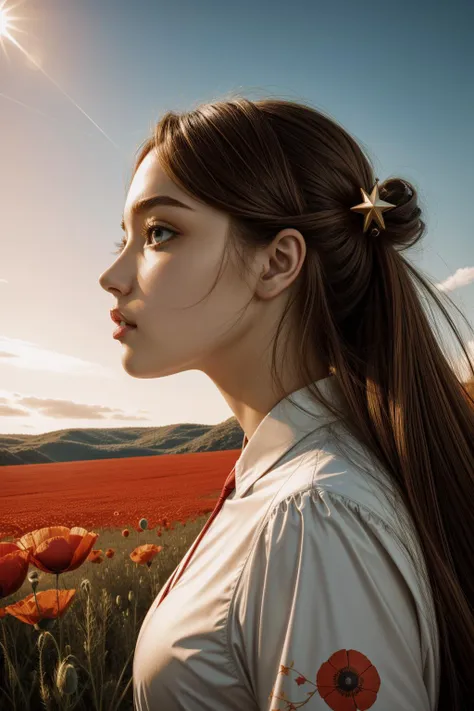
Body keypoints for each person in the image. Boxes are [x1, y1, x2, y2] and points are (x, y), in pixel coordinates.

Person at [98, 96, 474, 710]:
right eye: (126, 238)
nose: (113, 275)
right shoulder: (288, 487)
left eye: (158, 233)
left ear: (277, 263)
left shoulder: (310, 517)